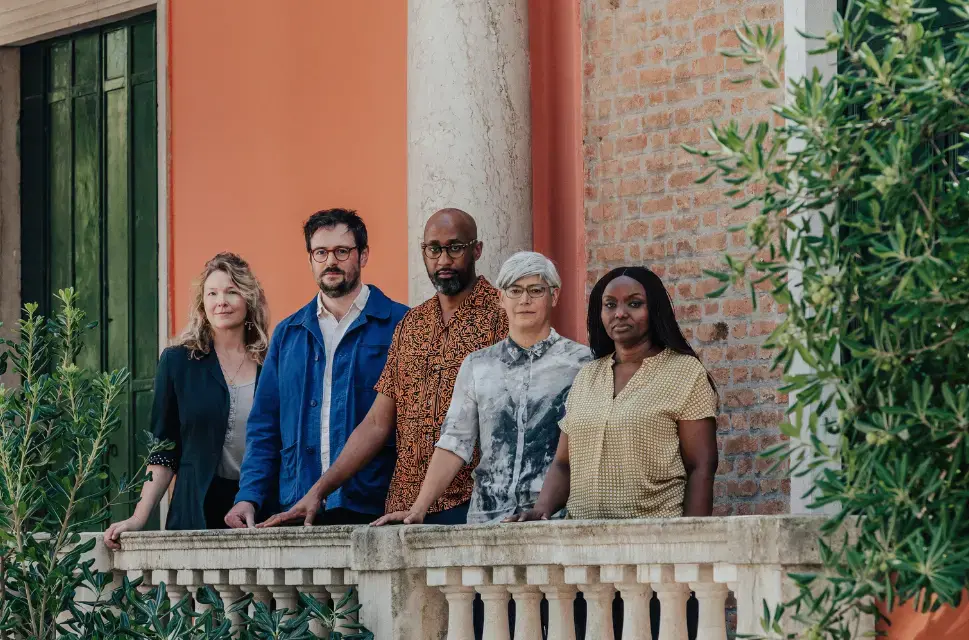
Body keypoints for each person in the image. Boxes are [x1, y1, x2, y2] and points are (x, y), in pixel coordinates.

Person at [259, 208, 508, 528]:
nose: (443, 260)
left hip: (473, 502)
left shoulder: (502, 315)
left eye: (455, 247)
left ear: (476, 250)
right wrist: (318, 492)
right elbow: (377, 422)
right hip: (401, 511)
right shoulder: (411, 324)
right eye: (434, 249)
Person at [372, 251, 591, 526]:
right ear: (501, 298)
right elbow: (455, 442)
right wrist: (419, 508)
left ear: (554, 296)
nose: (525, 300)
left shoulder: (582, 363)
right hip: (487, 519)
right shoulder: (478, 365)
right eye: (515, 290)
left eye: (536, 290)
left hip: (554, 519)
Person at [224, 209, 408, 528]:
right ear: (310, 258)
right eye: (320, 252)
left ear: (363, 256)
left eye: (342, 251)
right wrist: (248, 496)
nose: (330, 261)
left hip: (373, 506)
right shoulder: (288, 333)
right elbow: (265, 425)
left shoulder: (401, 324)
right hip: (296, 505)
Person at [508, 265, 719, 522]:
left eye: (634, 304)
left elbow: (701, 466)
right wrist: (542, 508)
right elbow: (564, 463)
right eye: (609, 305)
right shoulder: (588, 375)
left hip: (655, 537)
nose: (620, 314)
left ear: (654, 309)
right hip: (581, 540)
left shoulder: (684, 372)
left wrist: (691, 538)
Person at [104, 252, 271, 547]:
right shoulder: (178, 362)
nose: (222, 301)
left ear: (249, 299)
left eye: (232, 291)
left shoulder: (271, 362)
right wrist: (138, 518)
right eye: (213, 293)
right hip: (196, 509)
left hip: (259, 510)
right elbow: (163, 451)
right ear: (202, 303)